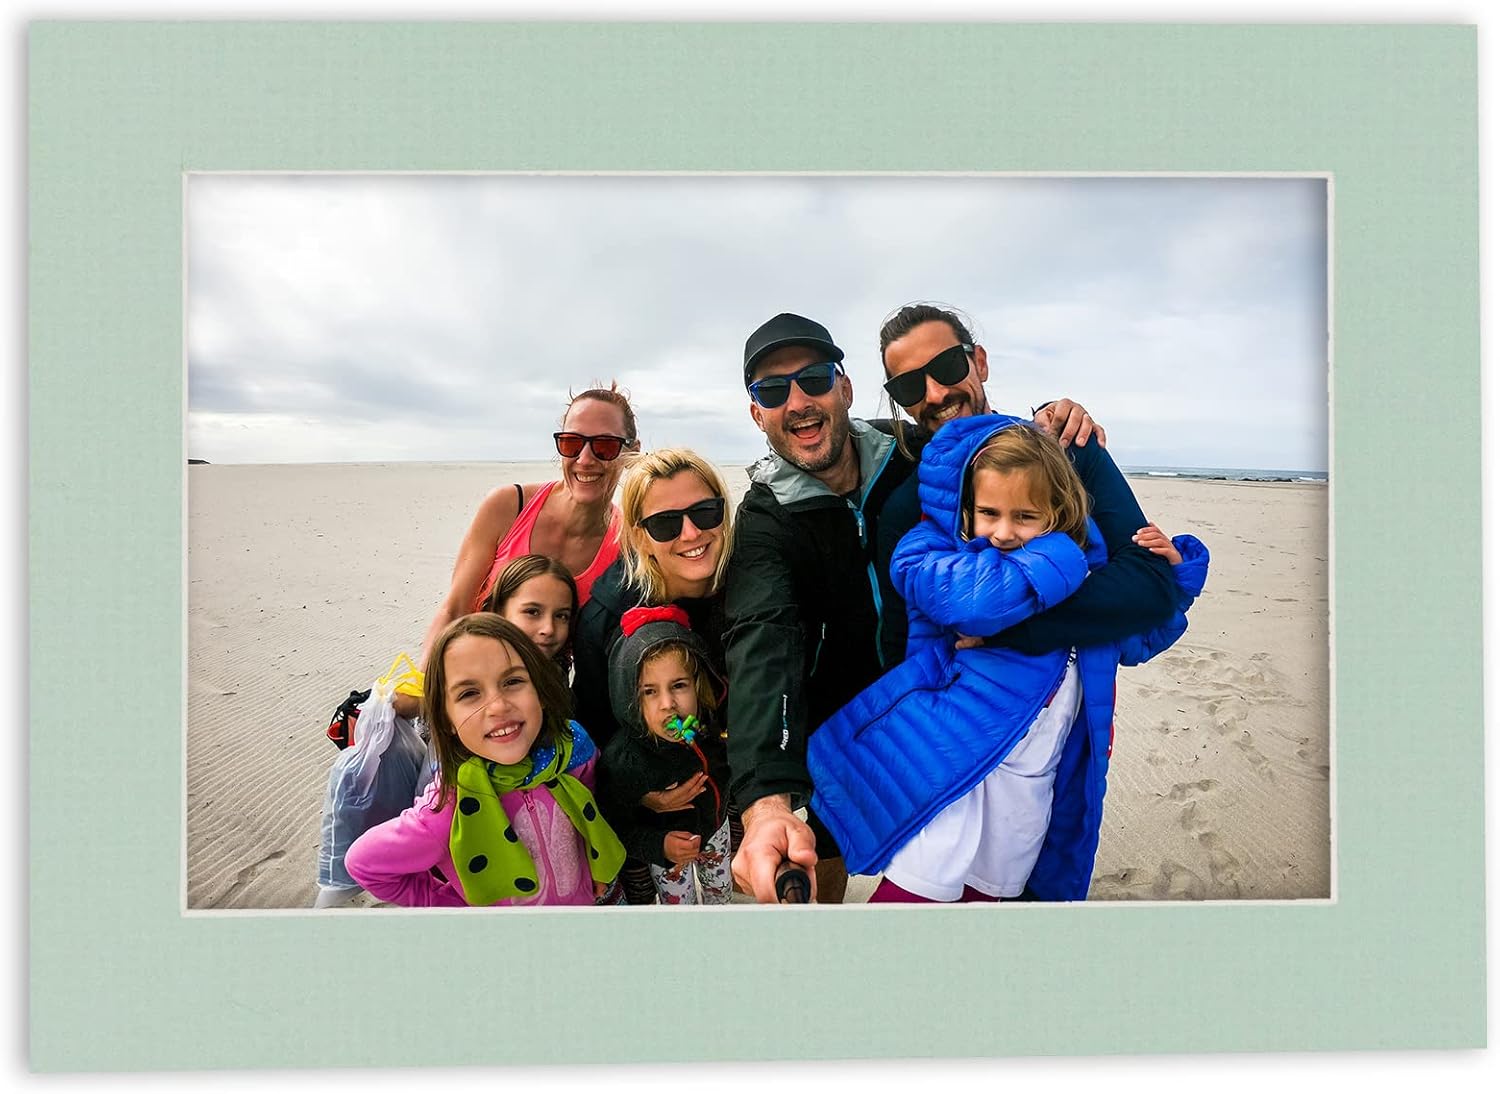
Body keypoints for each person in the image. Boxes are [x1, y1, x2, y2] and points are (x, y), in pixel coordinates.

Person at [725, 310, 1179, 904]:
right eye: (910, 384)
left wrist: (1016, 631)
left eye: (945, 366)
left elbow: (1152, 588)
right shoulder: (907, 489)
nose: (935, 393)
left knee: (1030, 866)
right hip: (886, 716)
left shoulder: (1059, 450)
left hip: (1046, 717)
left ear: (978, 360)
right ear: (755, 411)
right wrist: (764, 800)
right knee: (853, 865)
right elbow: (764, 634)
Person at [807, 415, 1209, 902]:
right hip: (957, 773)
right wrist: (1063, 554)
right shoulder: (937, 552)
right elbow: (975, 605)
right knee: (911, 901)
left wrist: (1176, 582)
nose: (1002, 532)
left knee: (988, 904)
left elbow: (1140, 639)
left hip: (1029, 787)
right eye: (988, 512)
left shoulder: (1088, 586)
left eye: (1024, 516)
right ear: (967, 508)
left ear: (1058, 511)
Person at [344, 614, 625, 907]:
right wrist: (454, 906)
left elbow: (590, 817)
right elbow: (364, 864)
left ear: (540, 691)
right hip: (502, 936)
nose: (498, 706)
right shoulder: (447, 807)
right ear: (446, 719)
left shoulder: (574, 755)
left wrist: (595, 869)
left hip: (579, 923)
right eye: (470, 693)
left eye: (513, 681)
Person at [570, 447, 738, 902]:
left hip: (719, 776)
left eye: (705, 512)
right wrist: (639, 796)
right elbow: (595, 721)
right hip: (646, 790)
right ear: (639, 537)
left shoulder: (744, 586)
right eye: (665, 523)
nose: (691, 533)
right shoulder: (607, 617)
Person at [417, 383, 640, 664]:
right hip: (470, 669)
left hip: (546, 685)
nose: (585, 459)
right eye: (571, 443)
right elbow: (454, 609)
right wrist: (424, 682)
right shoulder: (508, 507)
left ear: (632, 453)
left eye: (605, 446)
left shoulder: (627, 545)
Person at [597, 606, 733, 906]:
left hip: (716, 832)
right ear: (630, 698)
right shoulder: (624, 760)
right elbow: (613, 822)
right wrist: (658, 846)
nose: (668, 703)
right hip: (667, 852)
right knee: (679, 912)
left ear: (698, 685)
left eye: (679, 686)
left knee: (721, 895)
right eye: (649, 691)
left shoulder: (710, 728)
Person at [480, 554, 578, 678]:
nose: (549, 629)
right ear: (498, 612)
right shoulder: (473, 676)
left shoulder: (557, 678)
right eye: (532, 612)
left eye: (561, 616)